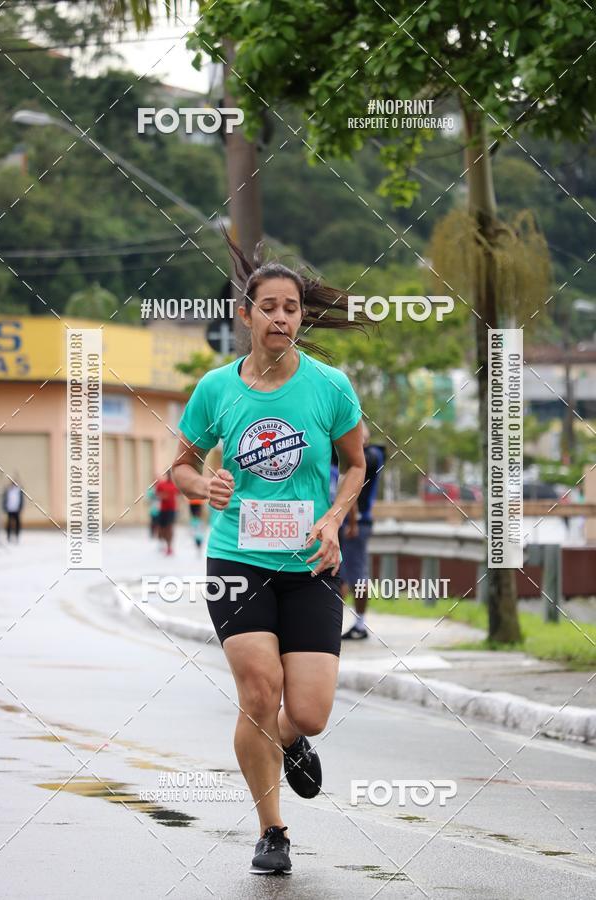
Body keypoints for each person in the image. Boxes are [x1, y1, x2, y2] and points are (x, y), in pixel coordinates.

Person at [171, 229, 368, 876]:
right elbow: (179, 468)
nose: (282, 317)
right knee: (260, 693)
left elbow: (356, 464)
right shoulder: (215, 390)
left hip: (309, 564)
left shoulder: (330, 386)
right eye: (270, 307)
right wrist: (206, 483)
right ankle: (272, 831)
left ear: (300, 316)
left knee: (305, 710)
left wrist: (336, 519)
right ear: (246, 315)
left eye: (292, 307)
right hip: (237, 561)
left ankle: (289, 744)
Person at [340, 426, 386, 640]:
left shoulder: (372, 456)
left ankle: (360, 624)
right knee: (336, 575)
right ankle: (335, 622)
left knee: (357, 574)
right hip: (339, 521)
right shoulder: (342, 455)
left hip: (357, 523)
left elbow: (352, 485)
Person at [155, 470, 179, 556]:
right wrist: (162, 496)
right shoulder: (161, 485)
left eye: (171, 474)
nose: (170, 476)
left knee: (170, 528)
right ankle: (162, 542)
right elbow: (156, 494)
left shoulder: (175, 485)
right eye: (168, 474)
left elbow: (180, 494)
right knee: (162, 529)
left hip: (172, 510)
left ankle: (169, 547)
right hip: (163, 510)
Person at [3, 477, 23, 542]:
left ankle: (17, 536)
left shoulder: (18, 490)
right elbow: (5, 499)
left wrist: (20, 507)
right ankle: (8, 536)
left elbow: (21, 500)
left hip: (16, 509)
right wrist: (5, 507)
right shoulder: (8, 490)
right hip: (10, 509)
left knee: (17, 523)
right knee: (9, 523)